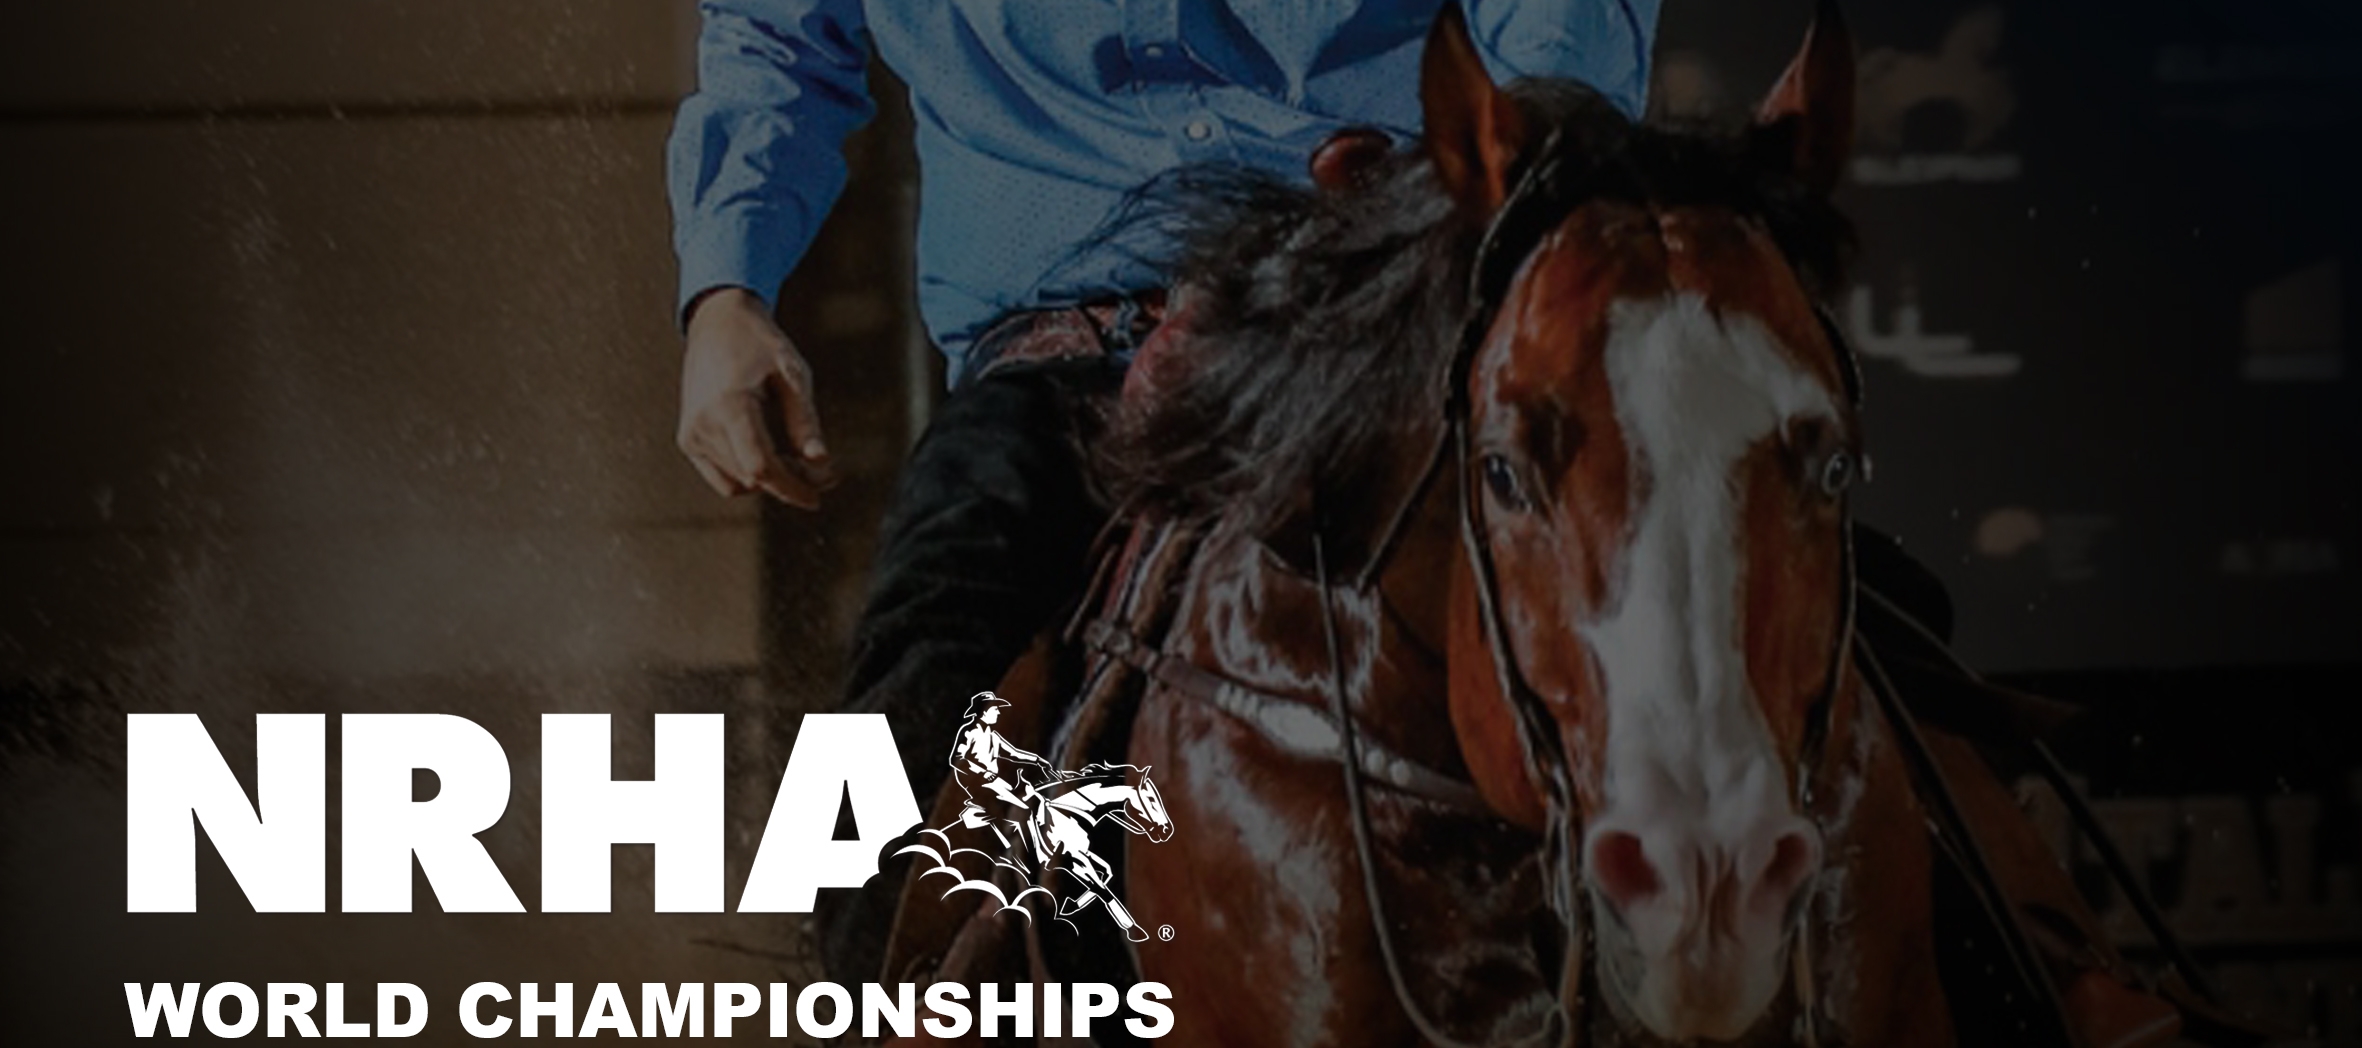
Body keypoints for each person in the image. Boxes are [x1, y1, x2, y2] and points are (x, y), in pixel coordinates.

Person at [667, 0, 1660, 992]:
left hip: (1377, 323)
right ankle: (878, 1043)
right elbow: (778, 38)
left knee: (1604, 624)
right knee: (918, 672)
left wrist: (1512, 193)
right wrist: (727, 293)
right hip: (1054, 359)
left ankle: (1672, 990)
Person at [946, 691, 1052, 872]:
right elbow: (957, 760)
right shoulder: (971, 734)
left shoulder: (993, 736)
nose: (997, 712)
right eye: (994, 709)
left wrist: (1036, 760)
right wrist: (981, 772)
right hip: (980, 784)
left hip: (995, 781)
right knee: (1022, 809)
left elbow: (1013, 753)